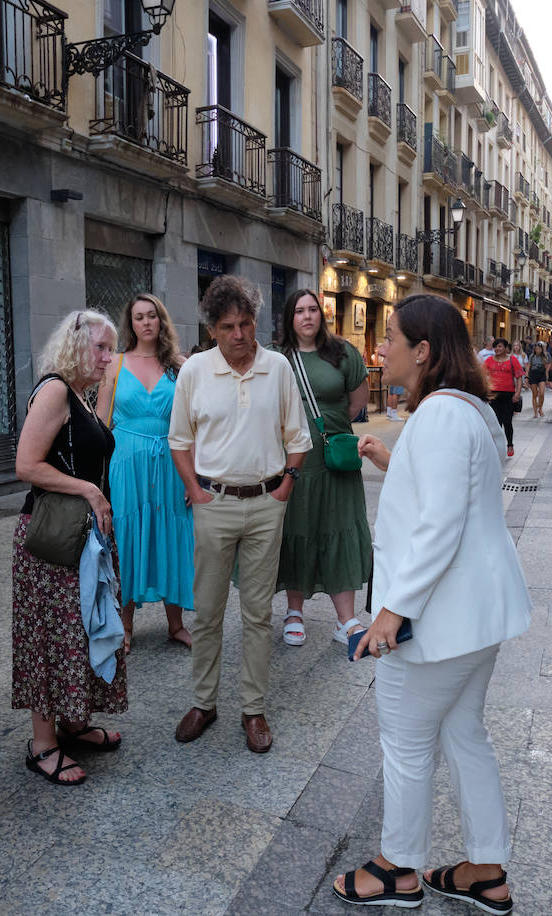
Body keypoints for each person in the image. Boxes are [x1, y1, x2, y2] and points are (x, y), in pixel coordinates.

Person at [333, 294, 530, 910]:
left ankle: (398, 867)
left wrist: (392, 612)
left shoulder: (441, 416)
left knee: (406, 738)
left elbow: (442, 523)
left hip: (442, 619)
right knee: (464, 734)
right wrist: (395, 462)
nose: (380, 348)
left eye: (390, 336)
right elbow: (458, 494)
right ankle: (486, 870)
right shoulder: (470, 409)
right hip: (477, 615)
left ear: (422, 352)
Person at [169, 275, 311, 755]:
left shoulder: (278, 368)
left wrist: (285, 489)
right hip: (214, 503)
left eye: (246, 324)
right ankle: (203, 703)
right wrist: (194, 489)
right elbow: (179, 440)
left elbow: (299, 438)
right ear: (213, 329)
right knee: (207, 612)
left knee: (257, 614)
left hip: (268, 503)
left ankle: (254, 710)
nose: (238, 334)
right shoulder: (194, 372)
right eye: (228, 326)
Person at [13, 309, 126, 785]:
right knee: (51, 634)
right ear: (75, 345)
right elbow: (26, 464)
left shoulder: (76, 393)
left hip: (76, 535)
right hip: (51, 536)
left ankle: (74, 722)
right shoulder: (55, 388)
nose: (108, 357)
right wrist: (90, 491)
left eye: (111, 348)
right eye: (100, 348)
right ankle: (43, 744)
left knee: (77, 629)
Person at [271, 288, 372, 648]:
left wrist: (326, 429)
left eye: (313, 309)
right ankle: (294, 611)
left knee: (338, 527)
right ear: (290, 317)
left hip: (333, 458)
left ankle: (346, 620)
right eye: (299, 311)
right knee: (296, 528)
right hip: (292, 460)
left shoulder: (343, 353)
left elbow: (359, 399)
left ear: (321, 315)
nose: (308, 316)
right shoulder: (277, 357)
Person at [95, 293, 194, 653]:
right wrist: (96, 480)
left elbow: (191, 423)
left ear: (161, 320)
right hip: (126, 463)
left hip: (170, 462)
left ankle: (176, 623)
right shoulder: (115, 364)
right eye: (139, 317)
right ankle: (125, 625)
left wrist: (192, 475)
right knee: (127, 537)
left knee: (172, 534)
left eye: (152, 316)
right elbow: (100, 422)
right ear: (131, 324)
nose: (146, 323)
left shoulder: (178, 366)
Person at [484, 338, 523, 458]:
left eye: (500, 346)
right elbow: (483, 375)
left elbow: (519, 377)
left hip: (508, 395)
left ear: (505, 348)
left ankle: (510, 444)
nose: (497, 349)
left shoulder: (512, 360)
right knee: (495, 422)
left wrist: (517, 393)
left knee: (507, 422)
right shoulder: (489, 360)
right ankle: (496, 446)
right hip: (493, 394)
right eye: (495, 347)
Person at [527, 341, 548, 419]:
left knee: (542, 393)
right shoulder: (532, 356)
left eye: (539, 349)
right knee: (535, 394)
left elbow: (547, 366)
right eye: (536, 349)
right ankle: (535, 412)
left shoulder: (545, 356)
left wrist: (547, 376)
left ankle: (540, 408)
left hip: (541, 374)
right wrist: (527, 376)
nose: (537, 350)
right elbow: (529, 365)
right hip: (533, 374)